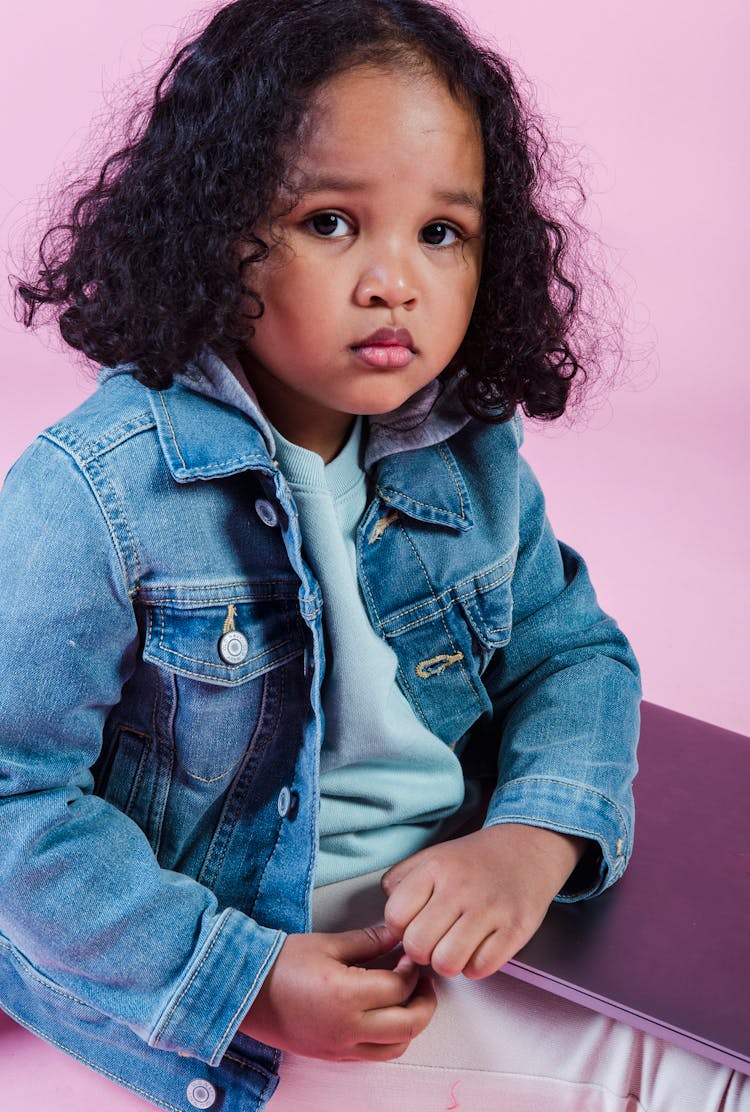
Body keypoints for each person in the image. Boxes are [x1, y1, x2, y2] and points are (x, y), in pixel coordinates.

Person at [0, 2, 746, 1110]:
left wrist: (531, 842)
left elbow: (573, 652)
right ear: (213, 226)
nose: (394, 280)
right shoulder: (96, 492)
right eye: (332, 222)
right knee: (677, 1080)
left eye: (440, 233)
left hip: (459, 906)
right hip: (248, 969)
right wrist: (248, 984)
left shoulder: (466, 451)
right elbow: (16, 796)